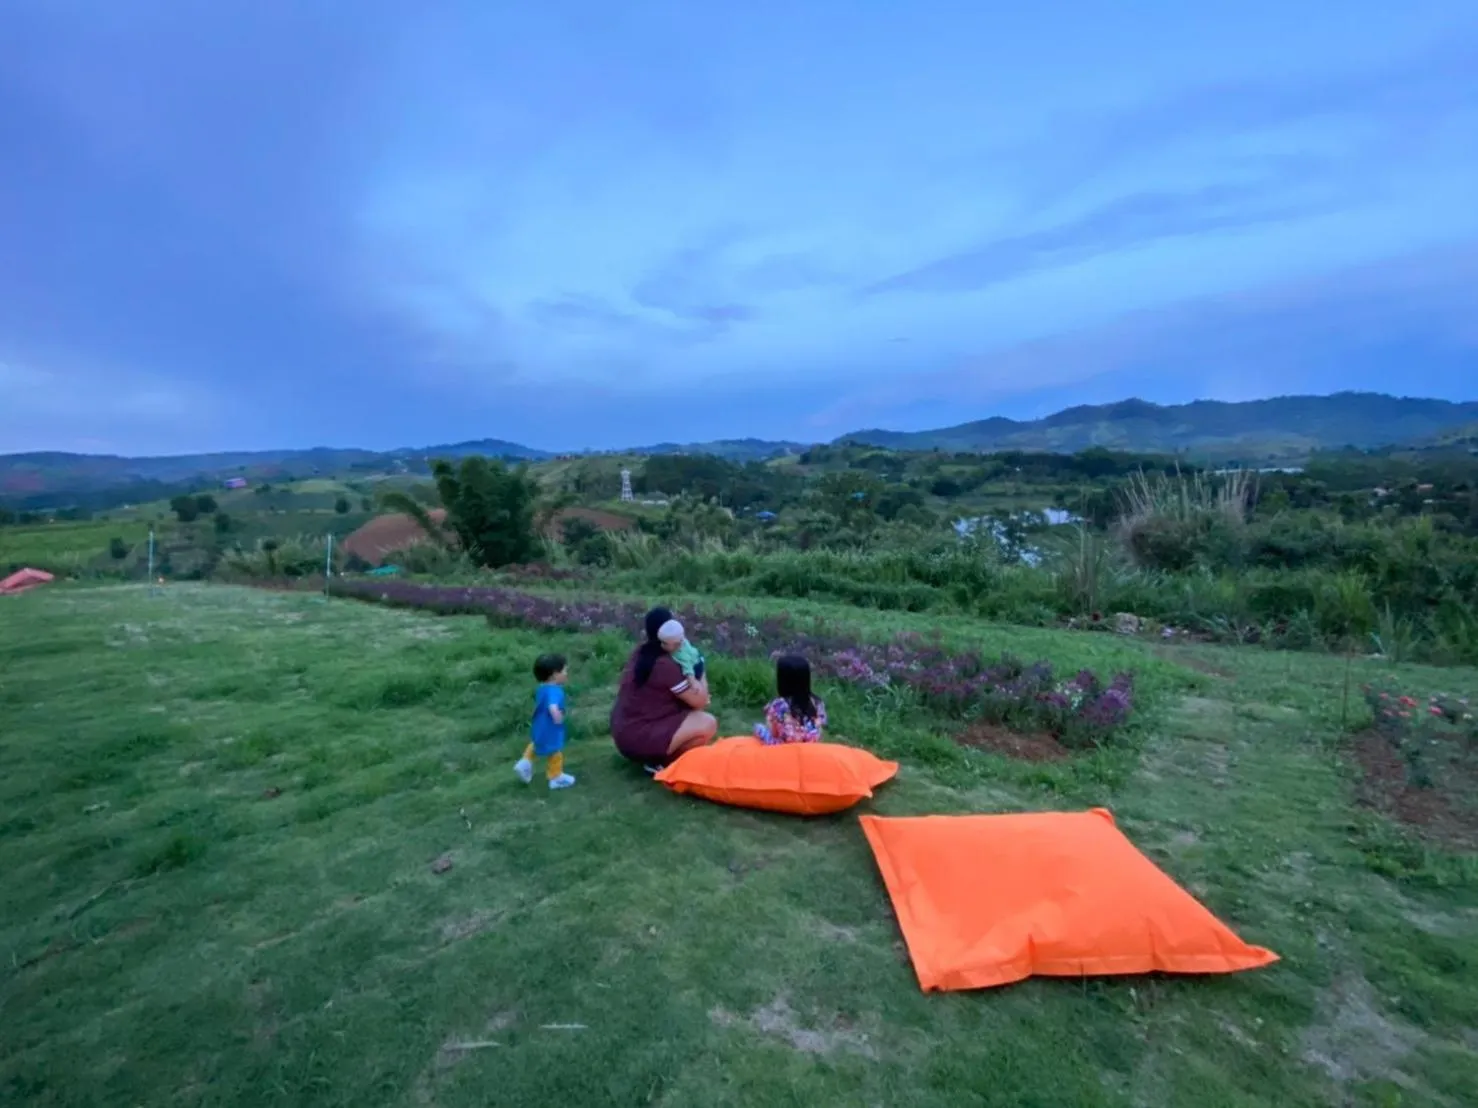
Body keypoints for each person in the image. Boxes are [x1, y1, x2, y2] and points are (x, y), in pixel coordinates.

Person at [610, 607, 718, 772]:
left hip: (624, 731)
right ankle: (659, 761)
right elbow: (700, 701)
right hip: (638, 735)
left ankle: (655, 758)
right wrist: (700, 668)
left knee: (693, 720)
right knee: (707, 723)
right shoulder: (665, 665)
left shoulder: (641, 653)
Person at [515, 653, 577, 790]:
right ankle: (556, 777)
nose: (567, 674)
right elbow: (552, 706)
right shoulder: (555, 691)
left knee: (537, 743)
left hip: (539, 724)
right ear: (555, 675)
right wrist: (557, 717)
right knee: (555, 752)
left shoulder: (542, 689)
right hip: (550, 726)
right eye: (564, 670)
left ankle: (525, 762)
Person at [755, 654, 827, 744]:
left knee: (758, 728)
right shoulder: (817, 702)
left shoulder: (779, 704)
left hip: (786, 747)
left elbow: (774, 730)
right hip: (811, 744)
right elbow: (821, 726)